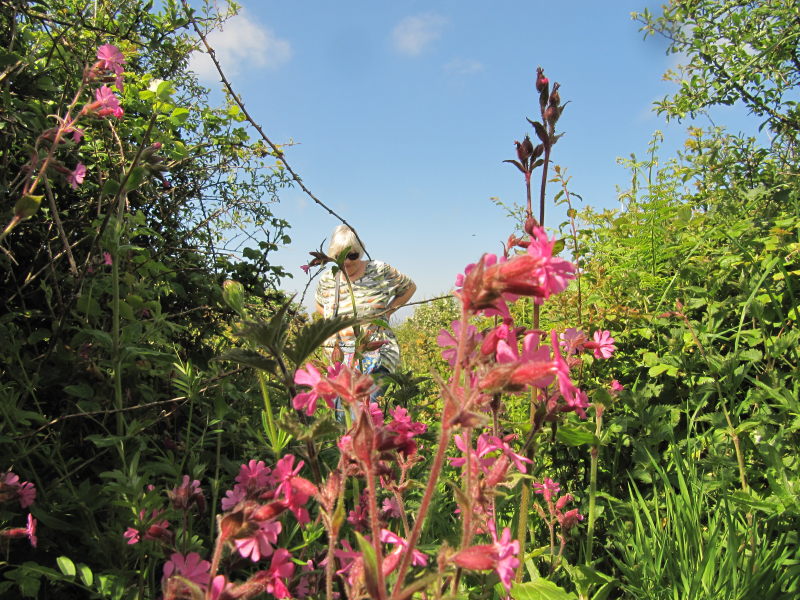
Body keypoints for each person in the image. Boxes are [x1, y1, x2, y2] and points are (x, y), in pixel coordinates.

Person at [315, 225, 416, 378]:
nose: (347, 261)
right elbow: (319, 304)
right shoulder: (327, 279)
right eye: (339, 256)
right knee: (340, 402)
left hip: (376, 357)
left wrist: (387, 312)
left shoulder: (378, 270)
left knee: (371, 400)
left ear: (360, 251)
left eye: (352, 255)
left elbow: (409, 288)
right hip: (340, 362)